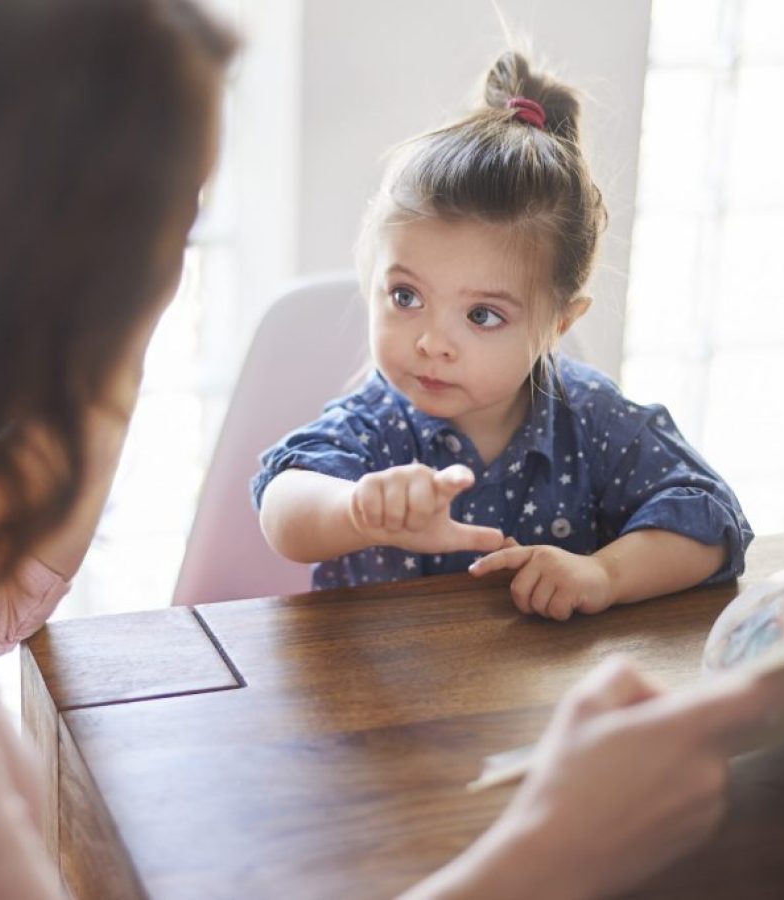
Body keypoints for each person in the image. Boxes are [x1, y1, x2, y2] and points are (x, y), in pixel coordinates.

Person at [0, 3, 784, 898]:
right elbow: (286, 497)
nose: (162, 293)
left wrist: (104, 369)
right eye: (158, 245)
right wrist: (552, 854)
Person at [254, 52, 753, 621]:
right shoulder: (376, 423)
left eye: (482, 316)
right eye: (406, 297)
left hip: (538, 701)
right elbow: (282, 507)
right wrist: (357, 510)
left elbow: (711, 520)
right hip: (372, 698)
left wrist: (605, 573)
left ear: (558, 325)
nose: (431, 343)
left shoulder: (592, 419)